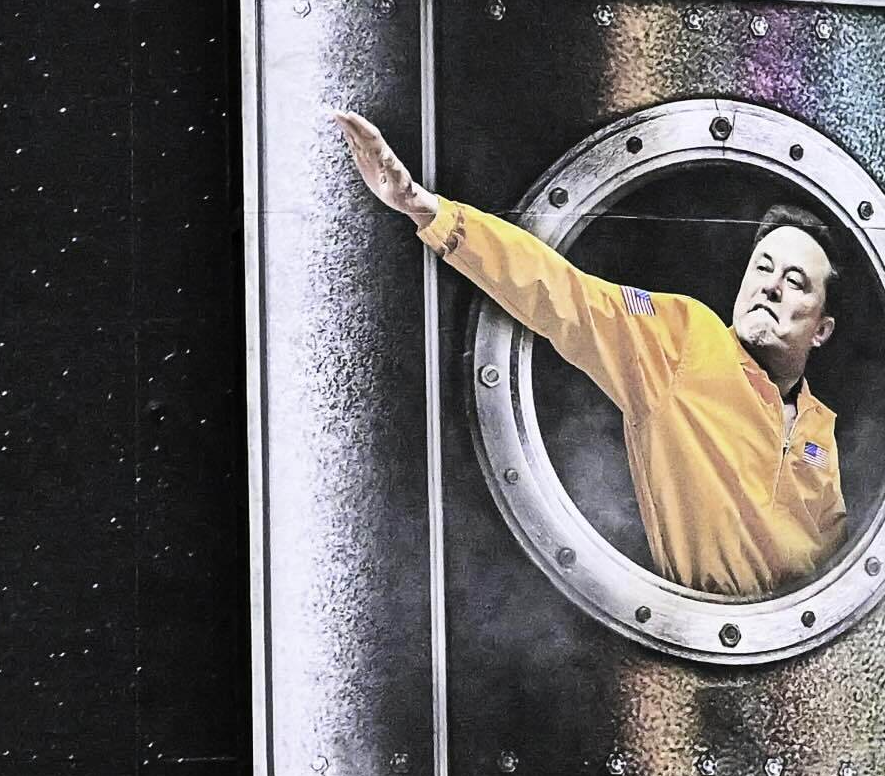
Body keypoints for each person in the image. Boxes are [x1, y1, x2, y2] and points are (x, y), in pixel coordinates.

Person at [330, 103, 841, 598]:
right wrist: (426, 207)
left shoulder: (823, 430)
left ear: (821, 330)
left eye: (795, 282)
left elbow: (835, 568)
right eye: (762, 267)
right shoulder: (685, 339)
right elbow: (562, 291)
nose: (770, 287)